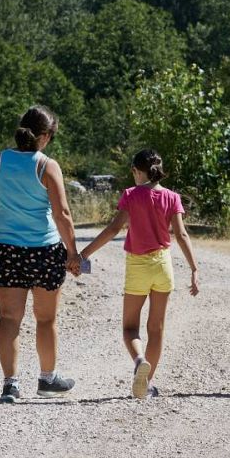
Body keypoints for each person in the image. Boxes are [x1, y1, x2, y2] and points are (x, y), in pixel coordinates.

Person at [0, 105, 82, 402]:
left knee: (8, 319)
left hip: (6, 251)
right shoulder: (46, 166)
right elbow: (63, 213)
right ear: (44, 136)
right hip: (44, 251)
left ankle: (10, 384)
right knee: (45, 320)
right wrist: (73, 252)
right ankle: (47, 380)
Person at [78, 149, 200, 399]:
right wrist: (194, 269)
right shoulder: (172, 197)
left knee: (129, 327)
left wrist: (85, 254)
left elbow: (113, 229)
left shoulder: (131, 195)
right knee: (156, 329)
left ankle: (139, 361)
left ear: (136, 171)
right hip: (163, 266)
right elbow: (182, 235)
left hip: (137, 266)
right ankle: (147, 382)